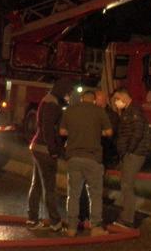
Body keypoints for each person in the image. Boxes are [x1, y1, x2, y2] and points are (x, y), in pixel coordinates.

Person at [59, 90, 113, 237]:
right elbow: (109, 132)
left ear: (82, 99)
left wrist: (76, 132)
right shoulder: (99, 111)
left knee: (73, 194)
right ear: (94, 100)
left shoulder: (70, 110)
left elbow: (62, 131)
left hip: (74, 158)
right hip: (92, 158)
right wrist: (96, 132)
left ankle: (71, 228)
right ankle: (95, 227)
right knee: (95, 195)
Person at [26, 77, 71, 232]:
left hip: (37, 147)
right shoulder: (52, 104)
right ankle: (55, 223)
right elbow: (48, 129)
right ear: (62, 90)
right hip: (45, 150)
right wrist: (53, 150)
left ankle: (32, 219)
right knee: (49, 188)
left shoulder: (48, 100)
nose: (69, 96)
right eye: (68, 93)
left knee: (37, 185)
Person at [78, 89, 120, 230]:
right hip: (86, 155)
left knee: (94, 189)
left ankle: (92, 219)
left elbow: (109, 134)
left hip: (100, 157)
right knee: (82, 187)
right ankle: (81, 217)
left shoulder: (111, 116)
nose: (97, 102)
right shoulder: (89, 113)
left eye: (100, 100)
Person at [112, 89, 150, 228]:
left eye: (117, 99)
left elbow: (137, 133)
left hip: (134, 154)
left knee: (127, 185)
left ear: (123, 97)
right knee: (125, 184)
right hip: (131, 153)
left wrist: (128, 151)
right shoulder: (128, 111)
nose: (116, 103)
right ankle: (126, 216)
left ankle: (127, 219)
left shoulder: (134, 111)